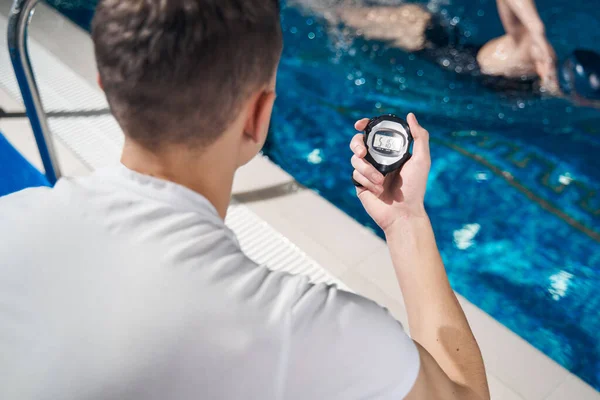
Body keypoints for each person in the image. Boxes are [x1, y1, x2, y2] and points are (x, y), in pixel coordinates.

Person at [0, 1, 489, 399]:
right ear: (258, 115)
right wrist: (406, 222)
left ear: (108, 88)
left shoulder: (10, 221)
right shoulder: (318, 330)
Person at [292, 0, 600, 103]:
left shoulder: (555, 86)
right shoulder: (531, 57)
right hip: (418, 32)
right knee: (331, 10)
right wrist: (536, 29)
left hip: (434, 43)